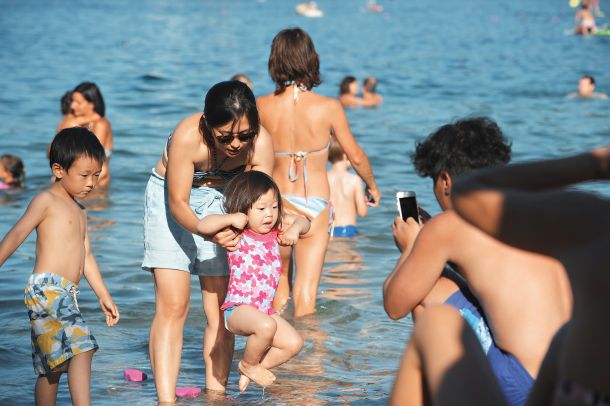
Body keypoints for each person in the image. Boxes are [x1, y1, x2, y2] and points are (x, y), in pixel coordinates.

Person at [400, 145, 610, 406]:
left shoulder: (595, 218)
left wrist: (597, 164)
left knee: (436, 321)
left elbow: (469, 192)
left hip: (565, 387)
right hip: (568, 384)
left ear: (445, 179)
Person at [384, 117, 571, 406]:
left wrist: (411, 247)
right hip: (565, 380)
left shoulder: (448, 225)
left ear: (446, 179)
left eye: (434, 181)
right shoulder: (525, 206)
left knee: (424, 291)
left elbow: (395, 305)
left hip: (520, 385)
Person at [142, 80, 274, 401]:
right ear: (206, 123)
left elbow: (261, 205)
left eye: (244, 136)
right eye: (225, 136)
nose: (235, 145)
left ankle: (216, 396)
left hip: (227, 202)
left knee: (220, 310)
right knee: (174, 304)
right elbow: (178, 204)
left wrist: (240, 230)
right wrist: (206, 229)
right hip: (172, 200)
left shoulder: (261, 144)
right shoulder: (188, 136)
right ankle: (166, 399)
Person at [257, 27, 381, 316]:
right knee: (306, 296)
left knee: (278, 296)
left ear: (275, 60)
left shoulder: (261, 105)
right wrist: (372, 186)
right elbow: (356, 155)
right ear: (311, 59)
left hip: (274, 205)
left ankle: (277, 358)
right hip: (314, 206)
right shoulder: (328, 106)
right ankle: (310, 361)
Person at [0, 128, 119, 405]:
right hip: (46, 289)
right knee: (83, 348)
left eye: (96, 175)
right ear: (59, 169)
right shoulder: (46, 200)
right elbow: (16, 235)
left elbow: (86, 257)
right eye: (84, 175)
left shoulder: (80, 210)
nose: (91, 183)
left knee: (51, 369)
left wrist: (104, 295)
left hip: (66, 293)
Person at [197, 171, 309, 392]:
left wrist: (295, 229)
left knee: (294, 343)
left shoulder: (276, 231)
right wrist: (230, 218)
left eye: (275, 207)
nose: (269, 214)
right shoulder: (239, 232)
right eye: (261, 208)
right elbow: (203, 226)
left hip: (264, 310)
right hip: (238, 309)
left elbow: (305, 221)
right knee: (267, 326)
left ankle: (250, 368)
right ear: (244, 208)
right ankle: (249, 364)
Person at [56, 82, 113, 186]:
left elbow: (92, 158)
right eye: (72, 101)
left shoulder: (101, 124)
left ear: (91, 105)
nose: (72, 106)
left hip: (95, 185)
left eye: (78, 102)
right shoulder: (78, 123)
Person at [327, 138, 368, 238]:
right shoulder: (354, 180)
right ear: (346, 155)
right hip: (347, 230)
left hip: (327, 230)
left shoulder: (323, 178)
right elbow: (362, 212)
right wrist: (364, 201)